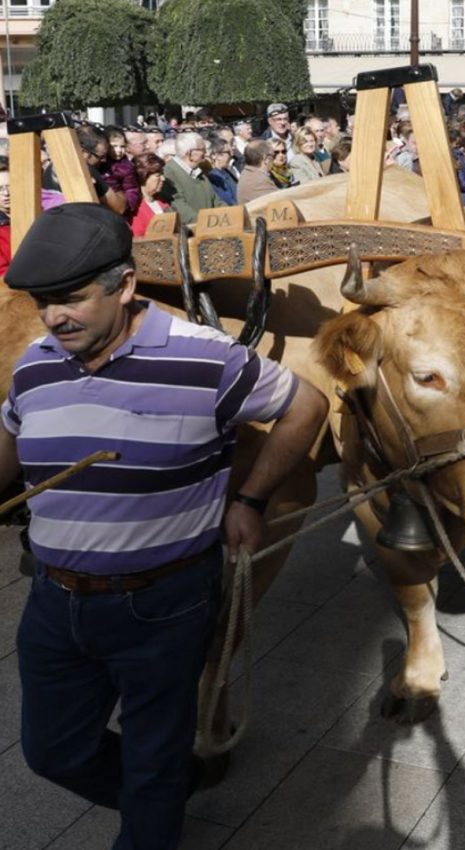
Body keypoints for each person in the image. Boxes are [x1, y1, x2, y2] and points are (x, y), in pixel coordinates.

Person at [0, 203, 328, 850]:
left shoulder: (207, 360)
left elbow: (306, 407)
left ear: (124, 286)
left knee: (152, 763)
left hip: (161, 604)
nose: (54, 317)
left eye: (71, 299)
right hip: (53, 603)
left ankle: (155, 803)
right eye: (43, 302)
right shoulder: (36, 363)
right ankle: (164, 787)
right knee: (52, 752)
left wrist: (251, 501)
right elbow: (9, 444)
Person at [160, 132, 223, 224]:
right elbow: (178, 206)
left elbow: (216, 201)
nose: (205, 153)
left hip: (210, 229)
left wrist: (232, 214)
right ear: (190, 153)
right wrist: (205, 224)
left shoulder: (199, 173)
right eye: (202, 149)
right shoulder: (168, 173)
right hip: (192, 232)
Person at [130, 152, 172, 237]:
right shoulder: (135, 210)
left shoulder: (163, 202)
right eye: (158, 175)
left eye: (162, 174)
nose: (163, 179)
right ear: (144, 177)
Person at [237, 140, 279, 205]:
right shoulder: (259, 181)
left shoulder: (248, 173)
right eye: (274, 155)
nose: (274, 159)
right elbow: (280, 203)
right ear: (267, 159)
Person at [206, 138, 239, 206]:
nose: (231, 155)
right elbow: (228, 201)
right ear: (215, 155)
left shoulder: (227, 171)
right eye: (228, 152)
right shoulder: (214, 177)